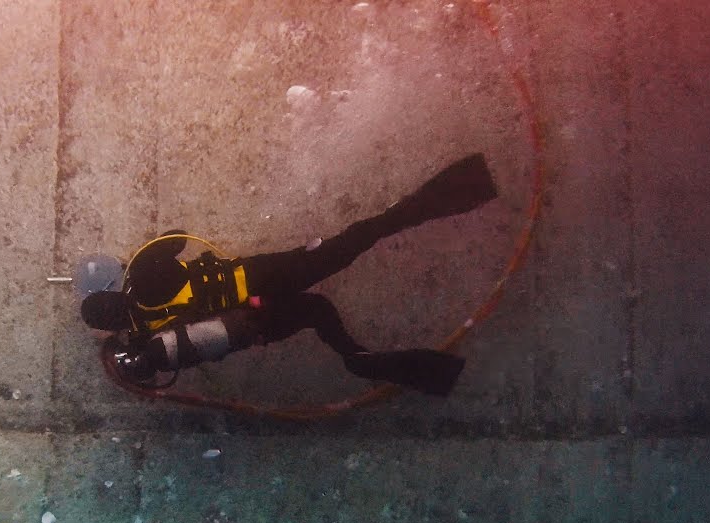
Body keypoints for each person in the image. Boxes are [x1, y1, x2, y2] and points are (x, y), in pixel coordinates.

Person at [81, 154, 498, 396]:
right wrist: (137, 254)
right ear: (112, 286)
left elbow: (168, 366)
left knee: (317, 312)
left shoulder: (147, 337)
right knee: (356, 239)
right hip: (262, 275)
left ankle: (363, 361)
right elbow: (177, 239)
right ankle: (463, 187)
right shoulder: (140, 268)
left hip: (256, 319)